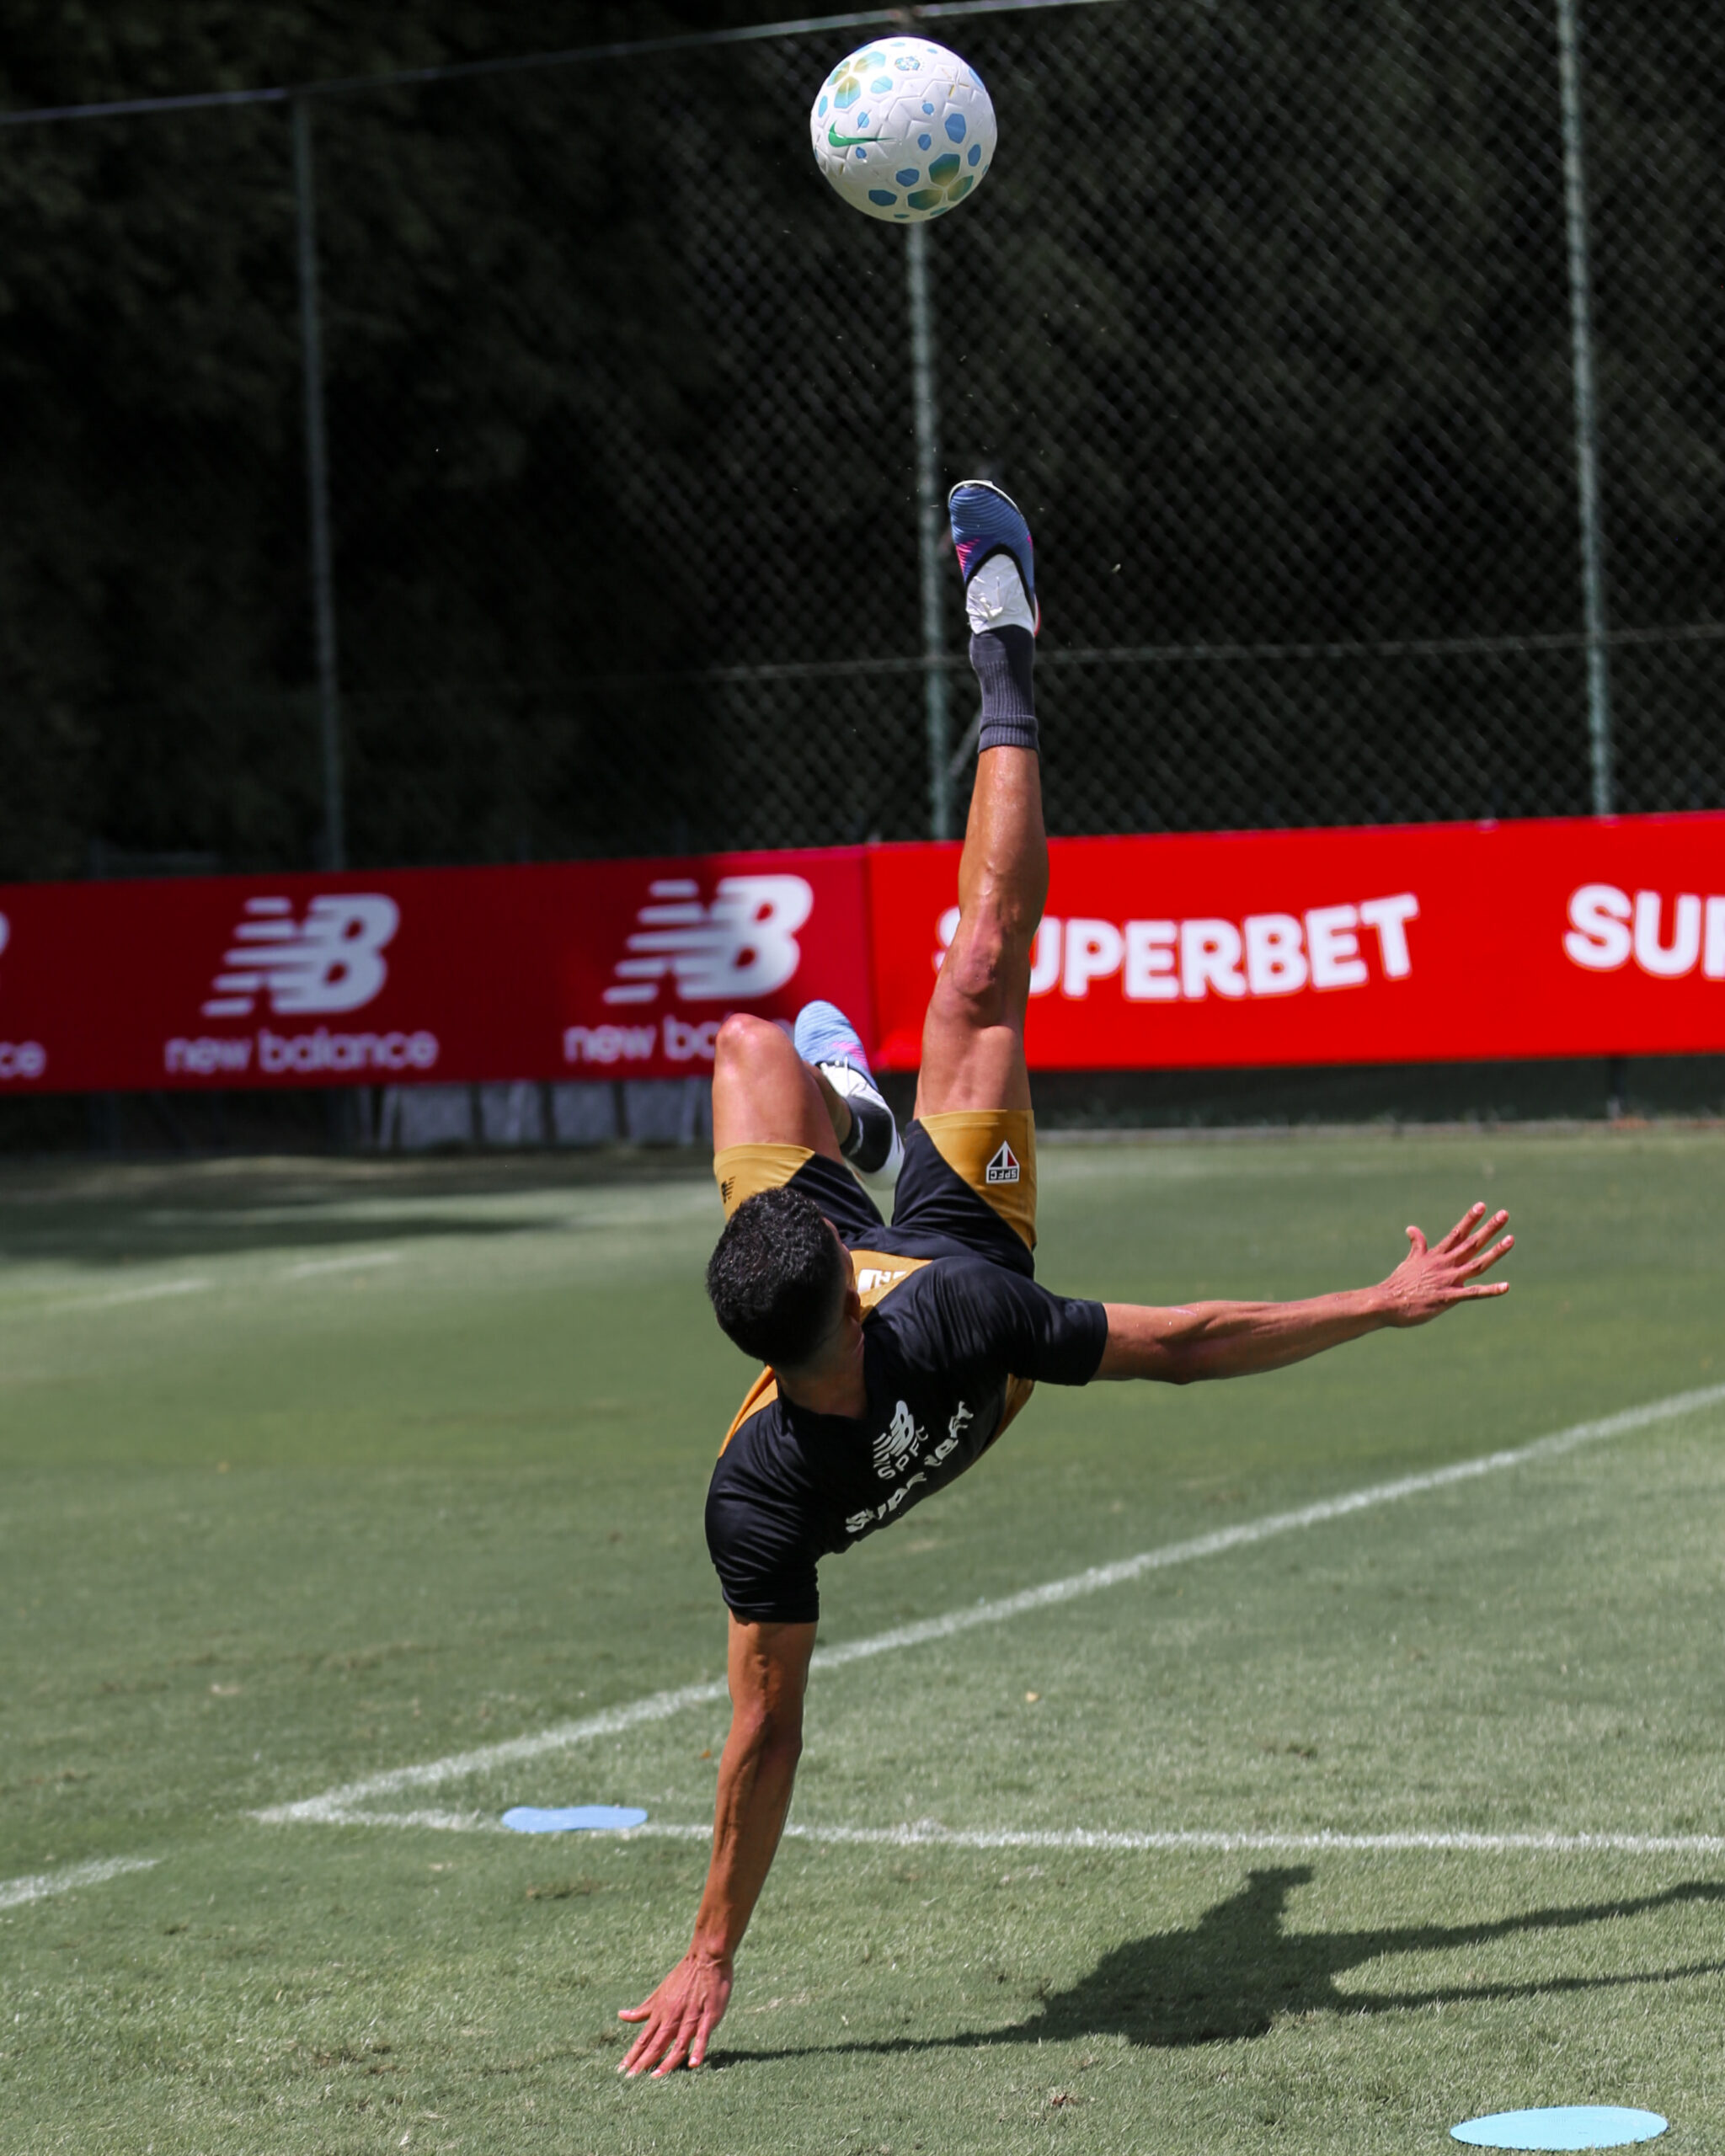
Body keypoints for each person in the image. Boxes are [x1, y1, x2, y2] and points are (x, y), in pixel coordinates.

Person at [618, 482, 1513, 2078]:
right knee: (983, 968)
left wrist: (710, 1953)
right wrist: (1375, 1307)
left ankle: (993, 700)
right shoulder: (921, 1345)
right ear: (835, 1256)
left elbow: (760, 1731)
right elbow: (1180, 1345)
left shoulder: (782, 1329)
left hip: (853, 1256)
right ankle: (1007, 688)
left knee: (753, 1044)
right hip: (960, 1253)